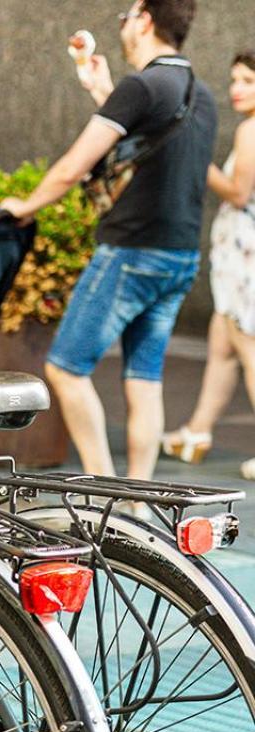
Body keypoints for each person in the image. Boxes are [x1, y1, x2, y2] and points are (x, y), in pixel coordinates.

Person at [0, 0, 216, 480]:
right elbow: (153, 145)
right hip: (179, 259)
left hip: (131, 252)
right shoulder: (201, 93)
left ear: (144, 20)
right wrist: (103, 92)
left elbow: (76, 164)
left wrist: (25, 205)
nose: (123, 27)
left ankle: (104, 492)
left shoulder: (142, 86)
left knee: (67, 369)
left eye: (126, 17)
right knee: (145, 381)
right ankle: (138, 498)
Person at [160, 50, 255, 471]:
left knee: (248, 348)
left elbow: (238, 192)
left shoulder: (252, 131)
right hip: (237, 258)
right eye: (235, 80)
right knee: (222, 348)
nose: (236, 89)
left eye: (248, 81)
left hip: (244, 260)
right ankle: (198, 430)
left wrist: (195, 156)